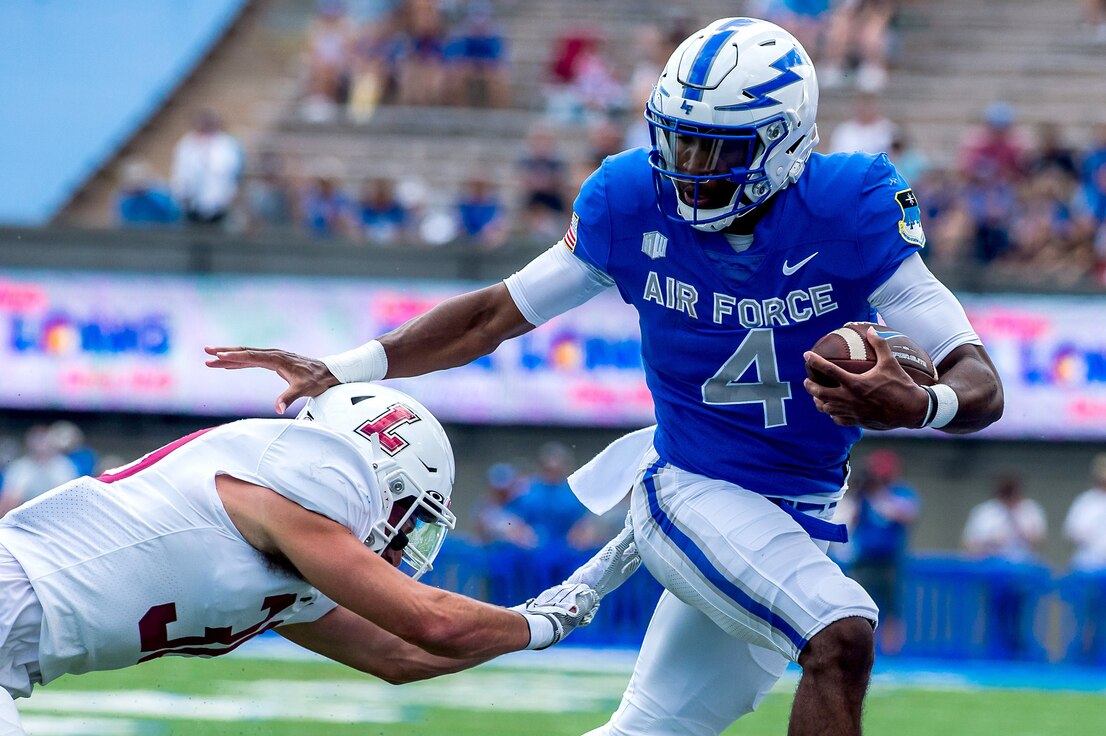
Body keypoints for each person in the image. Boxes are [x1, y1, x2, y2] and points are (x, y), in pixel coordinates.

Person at [206, 17, 1004, 736]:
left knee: (650, 729)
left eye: (717, 148)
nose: (690, 166)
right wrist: (344, 368)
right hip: (690, 486)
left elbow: (980, 379)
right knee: (842, 636)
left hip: (800, 509)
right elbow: (495, 313)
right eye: (680, 140)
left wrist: (924, 403)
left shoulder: (850, 208)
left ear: (788, 143)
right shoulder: (632, 198)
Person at [0, 383, 634, 735]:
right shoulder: (308, 476)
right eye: (408, 514)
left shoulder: (300, 560)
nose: (400, 543)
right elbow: (430, 624)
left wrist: (528, 626)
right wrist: (539, 623)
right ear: (379, 471)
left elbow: (401, 657)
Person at [841, 450, 920, 655]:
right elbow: (850, 521)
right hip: (864, 559)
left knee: (893, 607)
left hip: (890, 559)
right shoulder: (863, 496)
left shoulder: (901, 492)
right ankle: (863, 649)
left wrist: (880, 494)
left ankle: (892, 652)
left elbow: (906, 515)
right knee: (860, 606)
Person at [961, 474, 1046, 658]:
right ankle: (994, 653)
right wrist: (990, 542)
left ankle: (1019, 653)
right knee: (995, 616)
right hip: (994, 574)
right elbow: (971, 544)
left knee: (1020, 617)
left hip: (1022, 574)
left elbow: (1037, 539)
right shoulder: (986, 512)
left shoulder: (1028, 510)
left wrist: (1016, 521)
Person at [170, 109, 243, 226]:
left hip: (218, 201)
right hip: (192, 202)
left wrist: (229, 195)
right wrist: (181, 193)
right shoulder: (187, 143)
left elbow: (232, 172)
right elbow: (180, 170)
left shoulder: (226, 144)